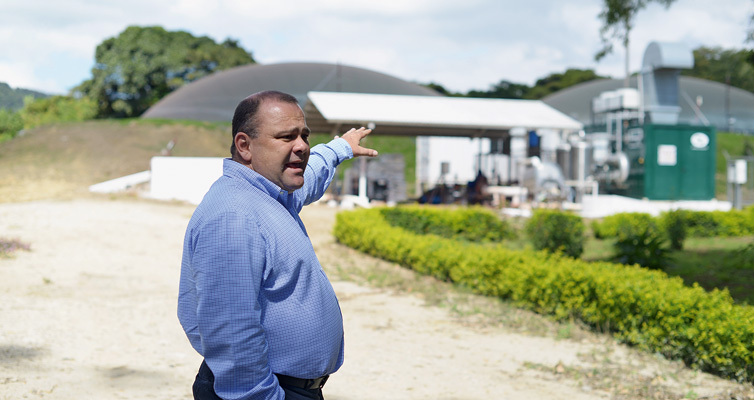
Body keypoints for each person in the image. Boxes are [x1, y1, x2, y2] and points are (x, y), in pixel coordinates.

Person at [178, 90, 378, 400]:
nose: (301, 146)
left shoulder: (271, 192)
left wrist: (340, 148)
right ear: (245, 145)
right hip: (267, 391)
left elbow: (307, 178)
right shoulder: (235, 217)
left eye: (304, 136)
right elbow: (233, 337)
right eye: (286, 137)